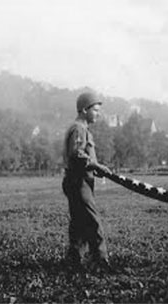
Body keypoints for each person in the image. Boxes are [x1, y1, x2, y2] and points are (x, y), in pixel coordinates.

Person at [62, 92, 112, 272]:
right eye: (96, 110)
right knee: (92, 221)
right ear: (84, 110)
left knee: (79, 222)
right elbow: (76, 154)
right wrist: (97, 166)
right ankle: (100, 261)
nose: (98, 114)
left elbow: (82, 157)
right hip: (78, 182)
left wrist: (95, 169)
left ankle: (74, 260)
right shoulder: (79, 129)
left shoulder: (82, 129)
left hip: (81, 180)